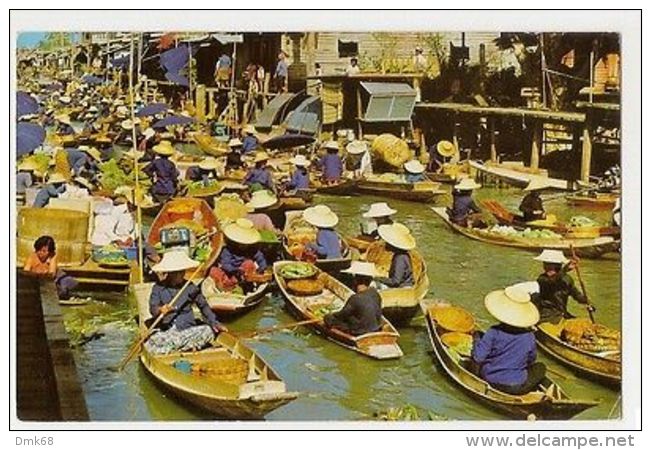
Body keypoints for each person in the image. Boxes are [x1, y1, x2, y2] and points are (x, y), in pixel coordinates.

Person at [144, 250, 227, 356]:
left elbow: (204, 306)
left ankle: (173, 348)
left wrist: (215, 322)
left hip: (188, 330)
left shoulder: (190, 287)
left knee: (208, 331)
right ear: (170, 273)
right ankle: (183, 346)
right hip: (168, 332)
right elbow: (152, 308)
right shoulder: (158, 288)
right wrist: (160, 310)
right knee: (156, 339)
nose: (180, 275)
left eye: (182, 271)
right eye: (177, 272)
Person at [472, 285, 547, 395]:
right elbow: (531, 360)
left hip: (490, 379)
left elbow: (478, 358)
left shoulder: (494, 332)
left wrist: (476, 341)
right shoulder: (529, 336)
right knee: (541, 367)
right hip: (516, 385)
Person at [530, 249, 591, 324]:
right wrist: (565, 269)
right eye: (545, 265)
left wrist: (587, 302)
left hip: (562, 313)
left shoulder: (567, 279)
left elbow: (575, 294)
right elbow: (553, 281)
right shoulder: (542, 279)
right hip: (547, 314)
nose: (546, 268)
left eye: (550, 266)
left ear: (558, 266)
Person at [324, 262, 383, 336]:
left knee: (328, 318)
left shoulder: (355, 298)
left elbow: (341, 315)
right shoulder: (376, 293)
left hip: (359, 331)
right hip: (377, 327)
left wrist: (331, 315)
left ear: (356, 280)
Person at [210, 218, 269, 293]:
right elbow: (226, 264)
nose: (243, 246)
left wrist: (262, 268)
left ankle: (246, 285)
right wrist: (236, 270)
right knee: (214, 270)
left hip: (245, 274)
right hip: (231, 273)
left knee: (249, 263)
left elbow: (260, 257)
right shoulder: (228, 250)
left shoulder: (252, 249)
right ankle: (227, 287)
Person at [23, 235, 78, 300]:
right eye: (39, 250)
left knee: (68, 282)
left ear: (49, 252)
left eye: (44, 251)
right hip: (36, 279)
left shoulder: (52, 257)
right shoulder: (32, 257)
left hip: (53, 279)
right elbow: (26, 272)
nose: (40, 253)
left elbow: (52, 274)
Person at [375, 223, 415, 288]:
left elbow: (396, 281)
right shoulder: (400, 255)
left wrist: (378, 279)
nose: (386, 243)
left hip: (403, 287)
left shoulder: (400, 258)